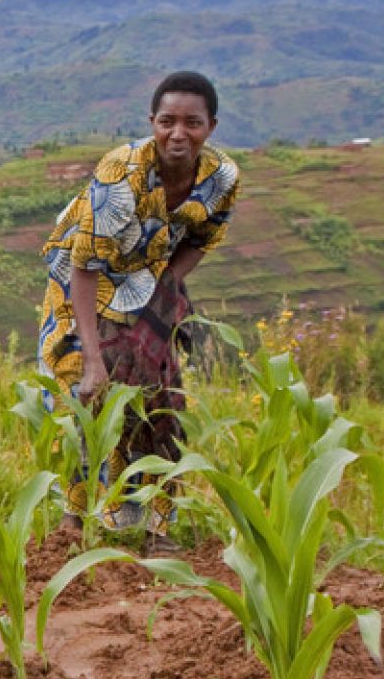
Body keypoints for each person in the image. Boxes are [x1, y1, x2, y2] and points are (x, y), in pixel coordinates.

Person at [34, 70, 242, 554]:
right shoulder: (121, 173)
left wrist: (163, 293)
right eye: (167, 121)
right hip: (81, 284)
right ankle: (76, 520)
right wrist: (91, 356)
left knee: (158, 399)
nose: (178, 133)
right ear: (152, 121)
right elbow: (85, 267)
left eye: (192, 122)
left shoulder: (221, 177)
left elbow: (203, 239)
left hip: (149, 279)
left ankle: (154, 525)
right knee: (84, 398)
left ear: (210, 126)